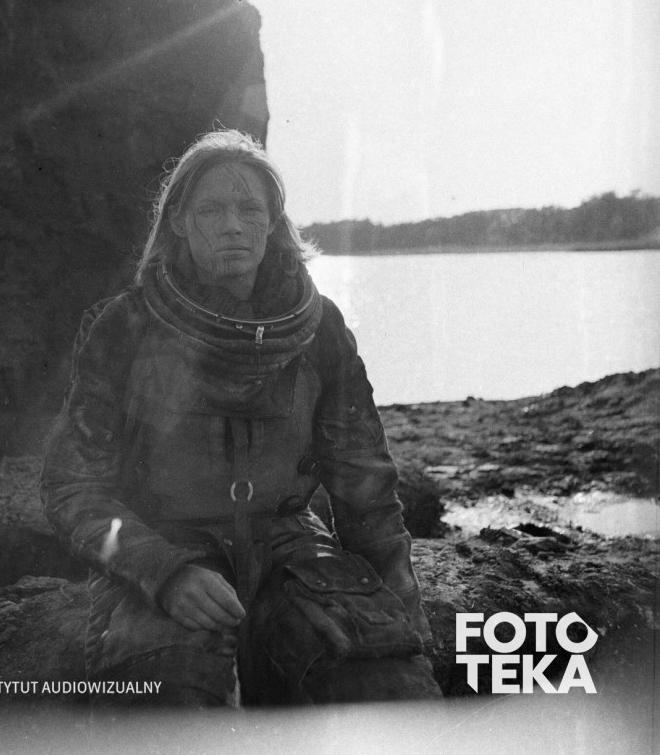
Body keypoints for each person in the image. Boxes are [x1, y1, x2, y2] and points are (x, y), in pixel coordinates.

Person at [40, 130, 441, 705]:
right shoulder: (123, 328)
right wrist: (163, 572)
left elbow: (366, 488)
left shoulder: (320, 327)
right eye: (211, 210)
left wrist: (404, 619)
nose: (233, 226)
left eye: (250, 209)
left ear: (272, 222)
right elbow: (73, 487)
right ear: (178, 221)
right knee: (172, 707)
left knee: (390, 695)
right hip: (165, 547)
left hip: (291, 550)